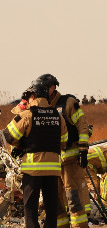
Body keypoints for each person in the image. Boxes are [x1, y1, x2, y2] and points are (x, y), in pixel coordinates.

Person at [2, 82, 68, 228]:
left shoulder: (27, 115)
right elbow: (63, 142)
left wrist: (21, 145)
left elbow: (8, 136)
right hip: (53, 169)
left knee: (30, 207)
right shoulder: (58, 116)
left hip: (33, 169)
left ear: (33, 96)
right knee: (51, 207)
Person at [35, 74, 90, 227]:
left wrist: (83, 150)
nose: (43, 91)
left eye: (45, 88)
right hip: (52, 161)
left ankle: (79, 225)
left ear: (53, 87)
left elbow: (82, 126)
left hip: (70, 158)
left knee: (73, 195)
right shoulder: (42, 106)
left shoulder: (68, 103)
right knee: (55, 198)